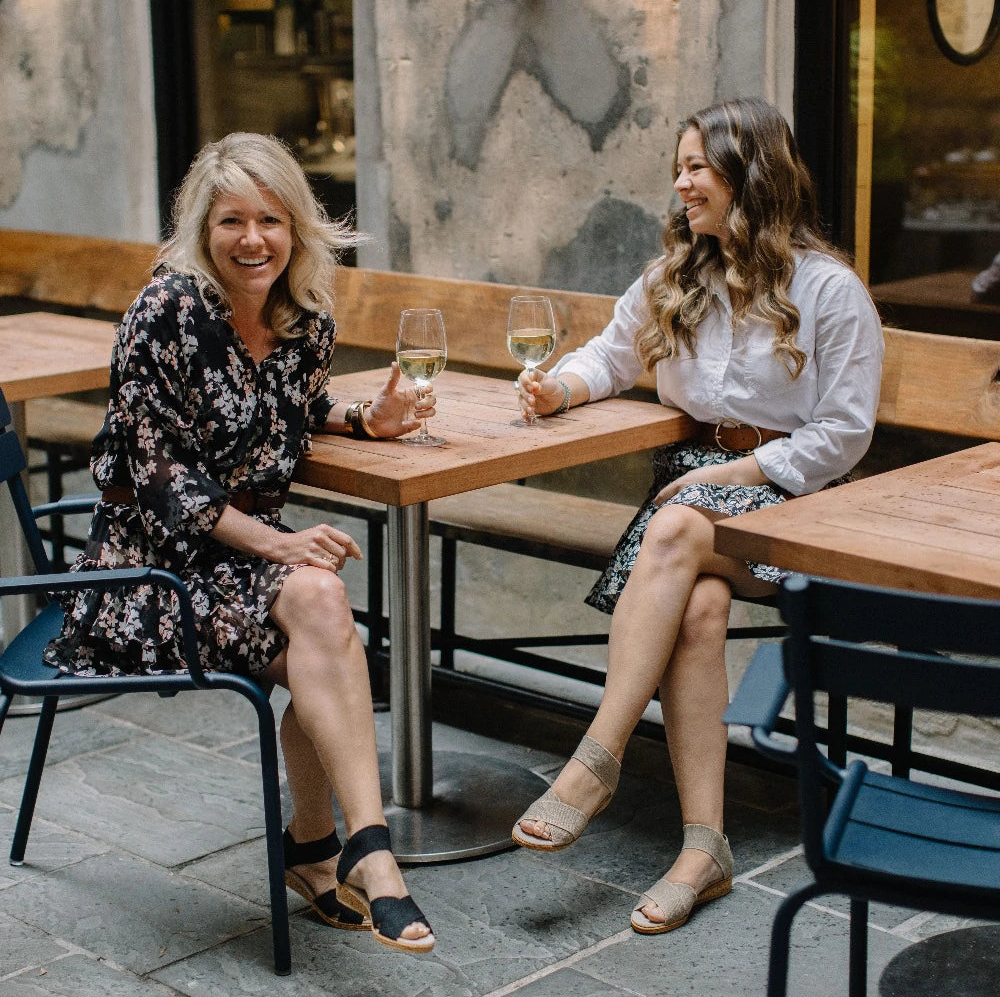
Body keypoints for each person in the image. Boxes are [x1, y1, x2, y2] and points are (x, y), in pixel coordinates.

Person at [43, 132, 437, 954]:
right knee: (325, 621)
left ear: (296, 228)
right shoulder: (166, 311)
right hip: (144, 571)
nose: (252, 239)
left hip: (237, 561)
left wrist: (365, 418)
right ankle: (337, 849)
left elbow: (289, 404)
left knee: (322, 619)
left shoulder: (304, 324)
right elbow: (159, 479)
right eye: (231, 221)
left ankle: (348, 848)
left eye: (270, 220)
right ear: (203, 228)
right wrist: (276, 544)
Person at [512, 97, 884, 935]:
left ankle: (596, 758)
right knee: (701, 609)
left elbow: (845, 432)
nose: (680, 184)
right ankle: (704, 849)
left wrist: (739, 472)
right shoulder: (676, 277)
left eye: (696, 167)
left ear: (751, 175)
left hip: (797, 499)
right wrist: (557, 388)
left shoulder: (829, 290)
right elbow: (610, 355)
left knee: (680, 525)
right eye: (677, 168)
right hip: (692, 494)